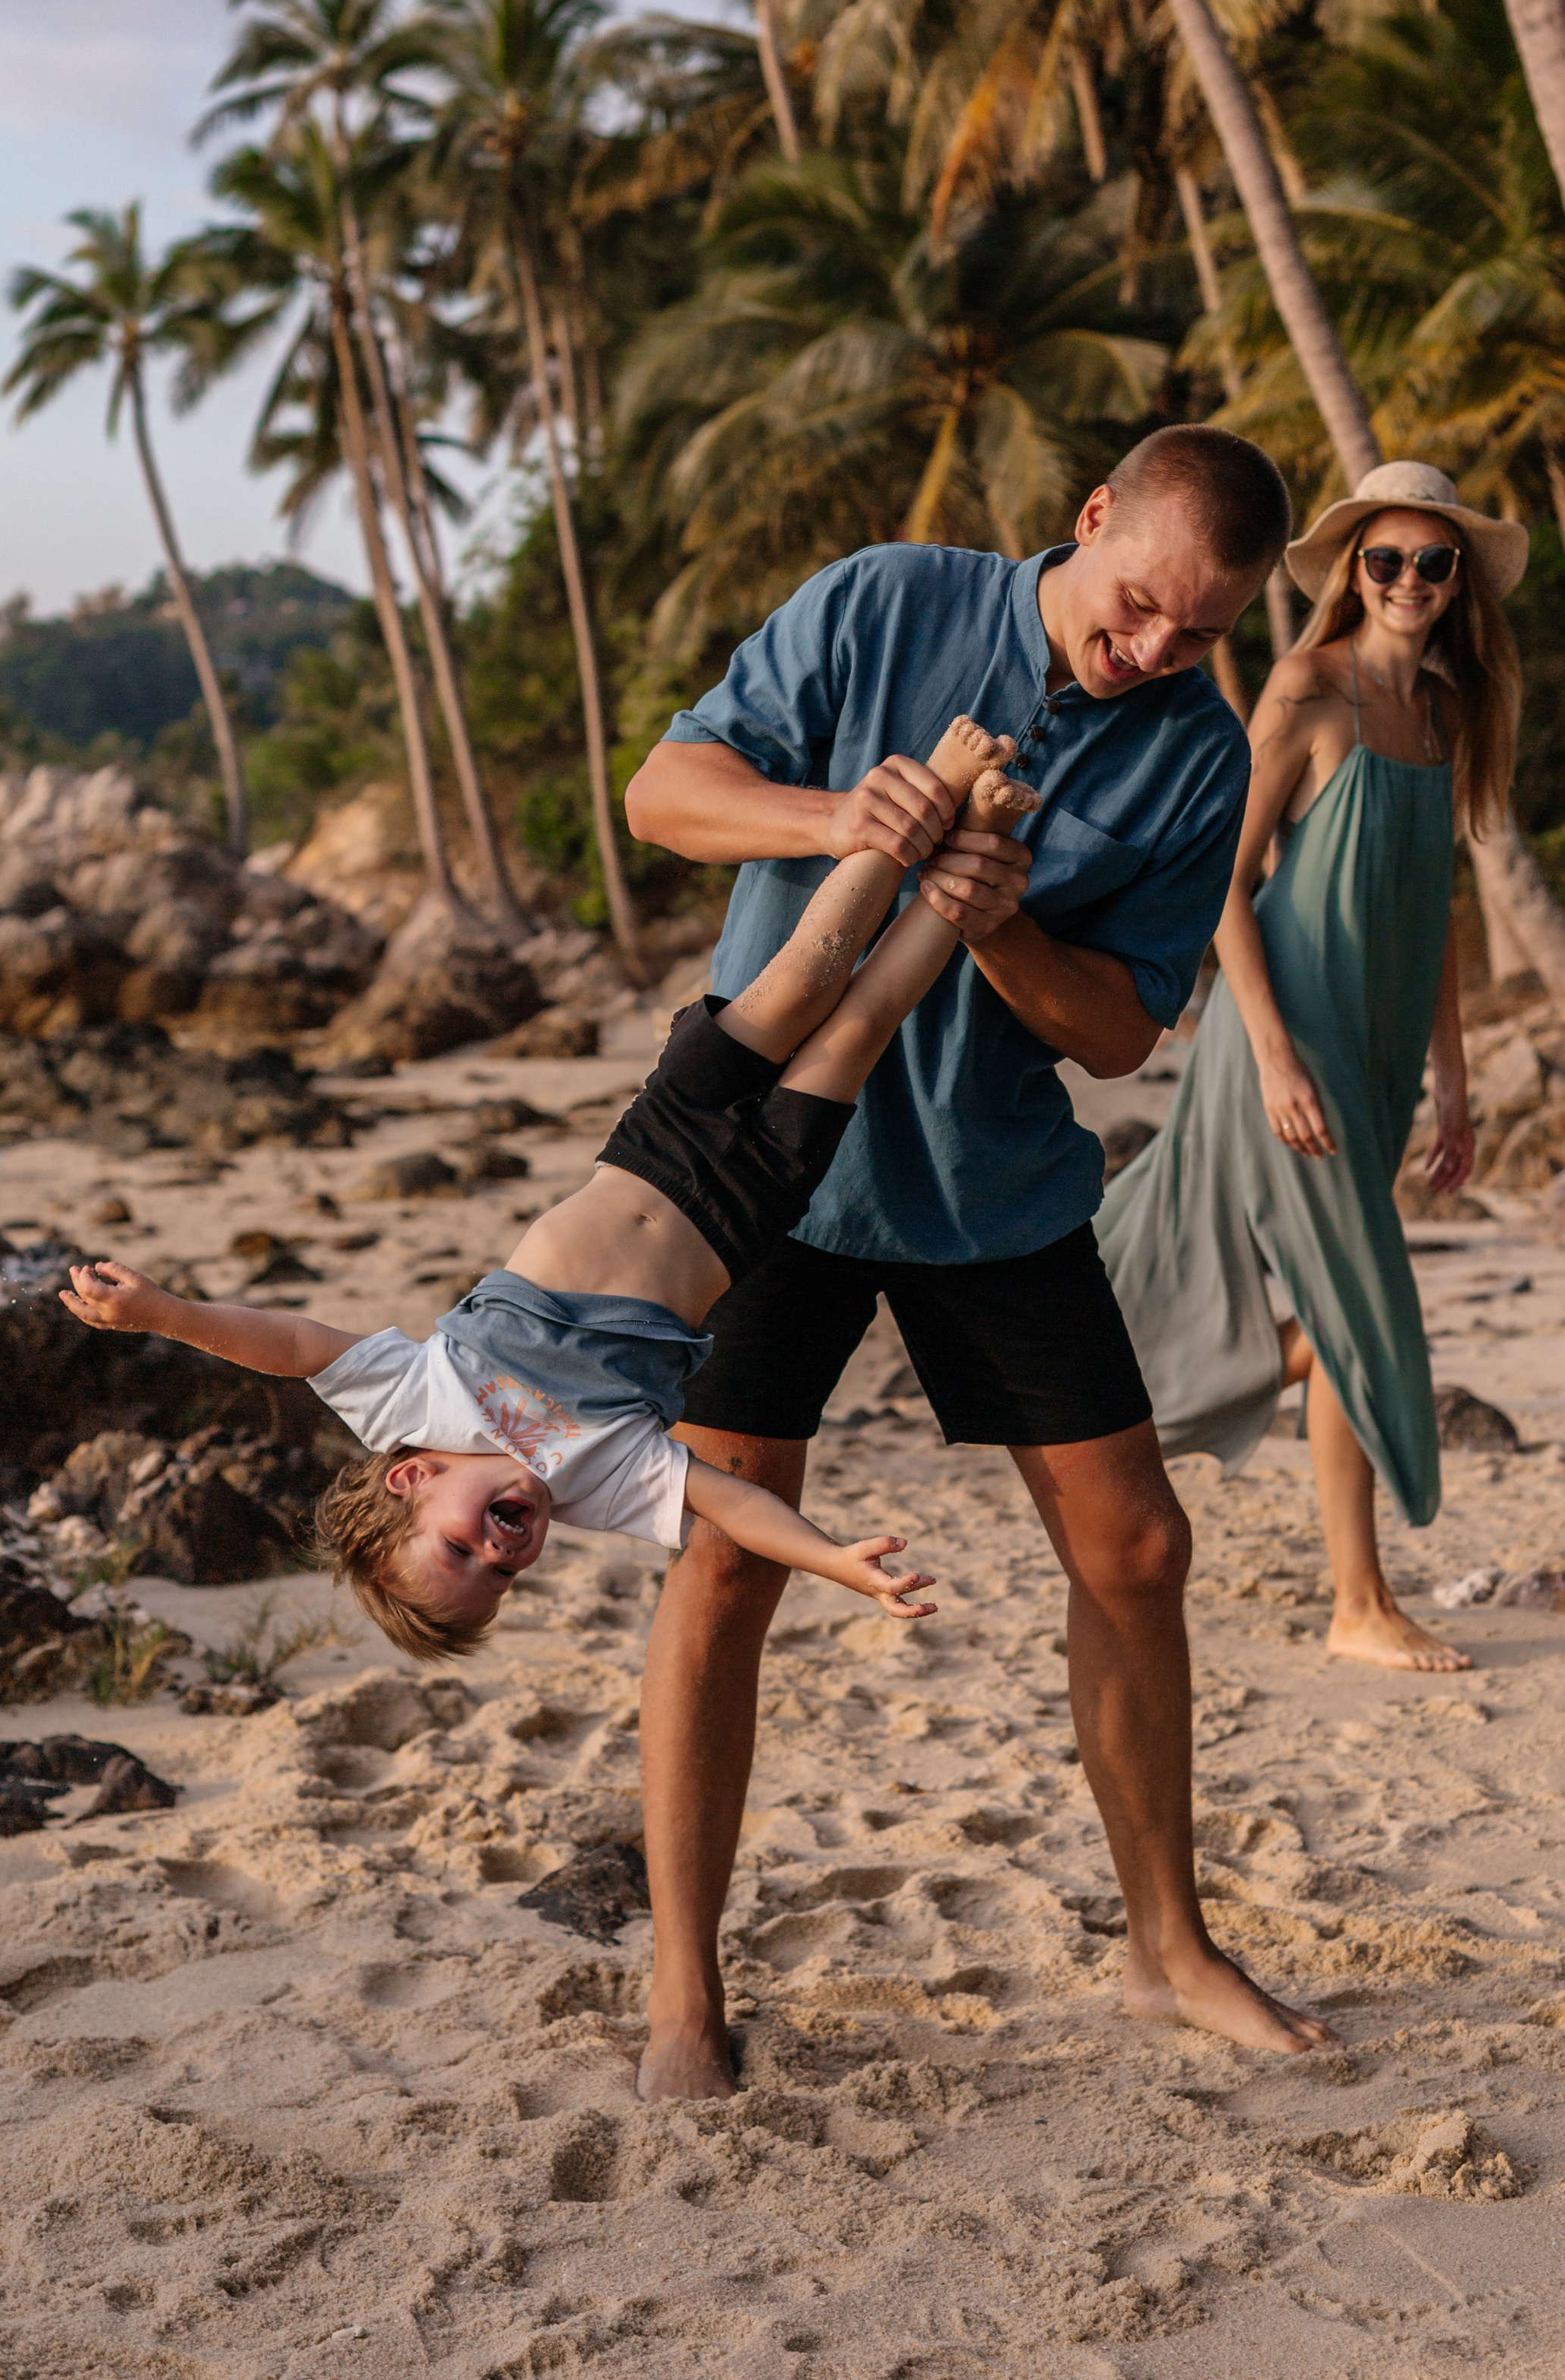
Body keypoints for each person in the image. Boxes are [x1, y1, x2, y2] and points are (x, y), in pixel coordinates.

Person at [624, 425, 1336, 2101]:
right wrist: (837, 815)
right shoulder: (885, 601)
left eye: (1201, 632)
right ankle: (679, 1996)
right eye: (1143, 604)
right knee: (724, 1563)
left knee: (1137, 1548)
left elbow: (1108, 1036)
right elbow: (663, 796)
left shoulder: (1194, 754)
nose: (1155, 648)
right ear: (1090, 522)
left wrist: (1000, 914)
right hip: (770, 1171)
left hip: (992, 1185)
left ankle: (1164, 1948)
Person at [59, 719, 1040, 1655]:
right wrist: (832, 1559)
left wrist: (166, 1312)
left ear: (412, 1478)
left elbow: (290, 1346)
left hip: (655, 1142)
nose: (500, 1552)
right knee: (861, 1027)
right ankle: (973, 854)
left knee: (800, 982)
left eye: (459, 1551)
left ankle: (940, 787)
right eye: (502, 1577)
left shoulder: (415, 1403)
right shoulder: (593, 1483)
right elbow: (724, 1501)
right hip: (747, 1210)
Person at [1099, 461, 1525, 1673]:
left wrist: (1454, 1072)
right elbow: (1219, 884)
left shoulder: (1446, 714)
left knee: (1346, 1305)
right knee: (1363, 1302)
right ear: (1353, 574)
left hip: (1380, 1042)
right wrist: (1275, 1058)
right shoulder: (1306, 686)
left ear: (1456, 584)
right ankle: (1358, 1604)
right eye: (1382, 560)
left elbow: (1430, 910)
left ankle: (1224, 1396)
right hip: (1280, 1034)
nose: (1406, 581)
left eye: (1430, 563)